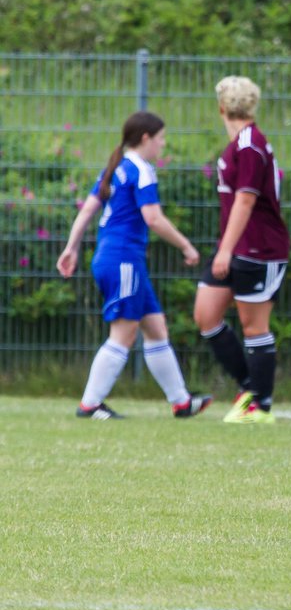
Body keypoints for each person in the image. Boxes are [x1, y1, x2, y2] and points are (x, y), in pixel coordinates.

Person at [56, 111, 212, 420]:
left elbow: (88, 210)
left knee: (155, 328)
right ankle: (90, 405)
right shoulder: (142, 169)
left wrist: (71, 247)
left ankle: (181, 401)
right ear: (146, 139)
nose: (163, 145)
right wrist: (186, 245)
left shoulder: (115, 168)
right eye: (161, 139)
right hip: (123, 260)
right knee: (123, 334)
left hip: (113, 258)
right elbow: (153, 218)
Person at [193, 76, 290, 425]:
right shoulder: (241, 144)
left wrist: (226, 250)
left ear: (221, 108)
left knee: (254, 326)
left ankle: (260, 406)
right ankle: (249, 385)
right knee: (206, 315)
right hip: (235, 247)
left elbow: (246, 201)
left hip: (258, 249)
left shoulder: (250, 146)